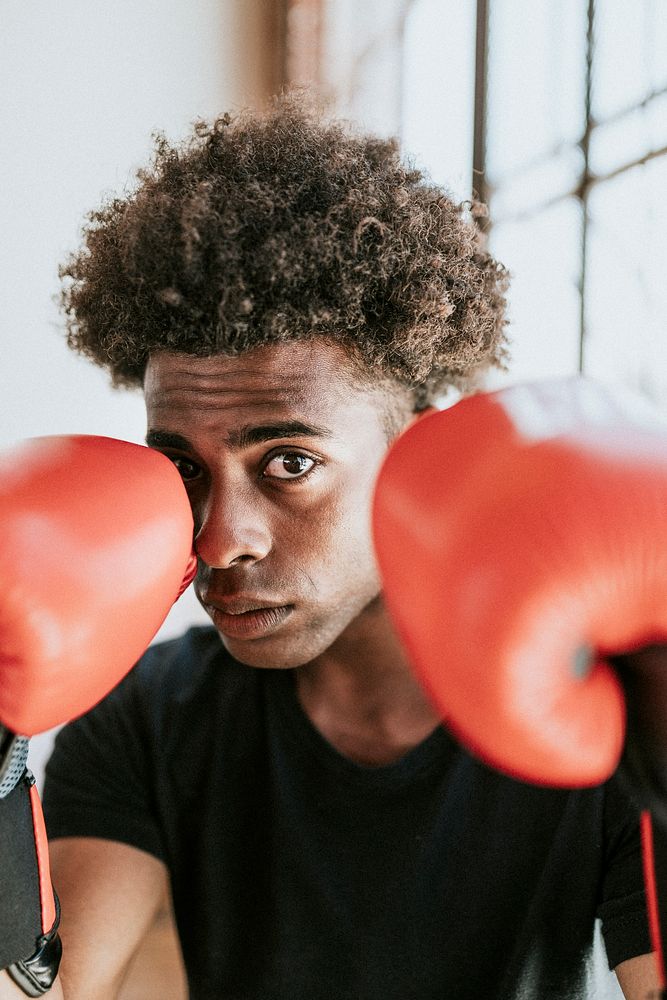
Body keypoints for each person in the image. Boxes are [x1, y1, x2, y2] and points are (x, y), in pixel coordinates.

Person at [3, 92, 660, 999]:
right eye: (183, 468)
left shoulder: (605, 722)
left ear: (418, 451)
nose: (220, 541)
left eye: (288, 461)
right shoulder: (148, 716)